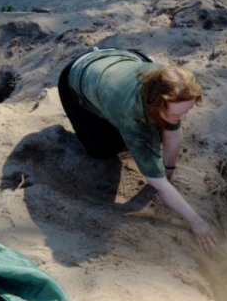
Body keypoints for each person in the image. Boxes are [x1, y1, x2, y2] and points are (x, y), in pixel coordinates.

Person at [57, 48, 216, 252]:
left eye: (187, 111)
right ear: (155, 103)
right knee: (103, 150)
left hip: (123, 57)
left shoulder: (179, 84)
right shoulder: (132, 115)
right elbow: (156, 183)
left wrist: (169, 170)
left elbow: (173, 134)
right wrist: (196, 221)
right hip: (78, 75)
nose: (184, 118)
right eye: (179, 113)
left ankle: (156, 117)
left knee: (164, 126)